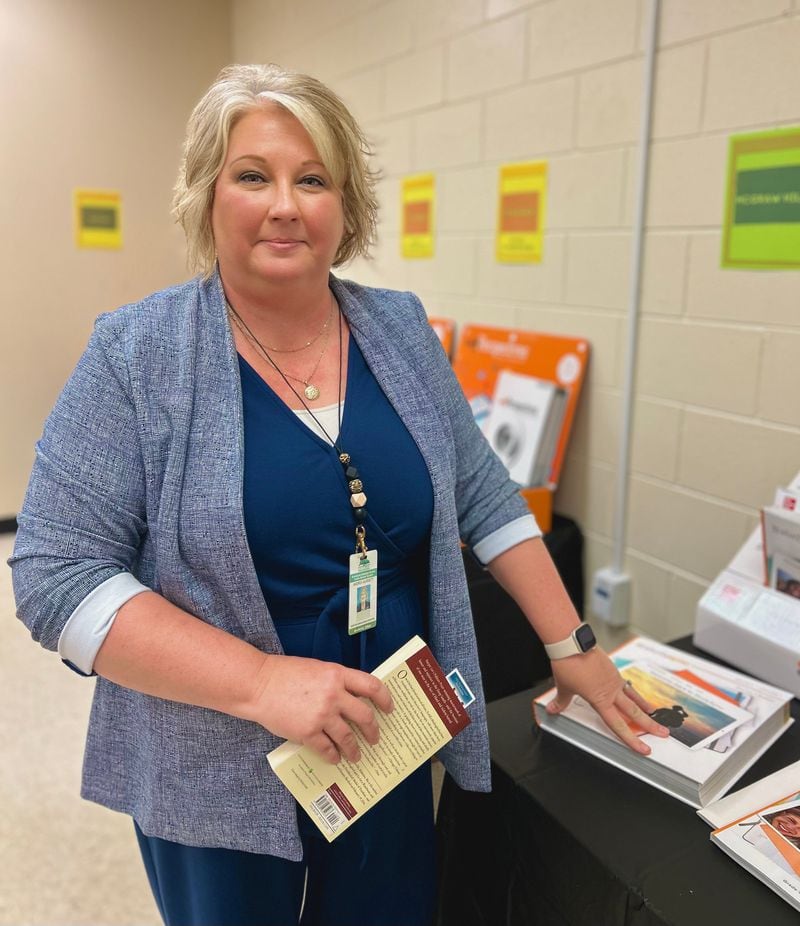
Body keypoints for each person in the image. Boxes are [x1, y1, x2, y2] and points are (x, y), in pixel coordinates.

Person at [9, 63, 668, 926]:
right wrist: (261, 683)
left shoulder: (397, 328)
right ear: (207, 195)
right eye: (253, 175)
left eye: (313, 179)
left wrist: (569, 639)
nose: (286, 203)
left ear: (346, 207)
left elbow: (482, 491)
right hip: (215, 757)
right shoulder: (138, 355)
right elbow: (55, 574)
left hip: (389, 728)